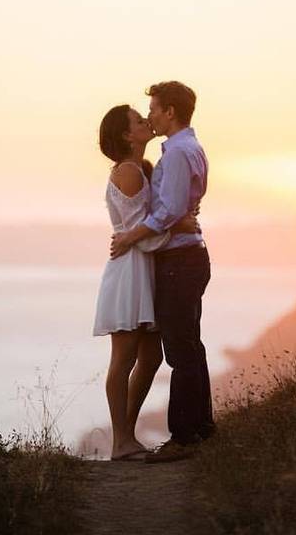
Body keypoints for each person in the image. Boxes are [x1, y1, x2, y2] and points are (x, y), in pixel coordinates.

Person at [110, 81, 214, 464]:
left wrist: (130, 236)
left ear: (170, 111)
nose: (150, 115)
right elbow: (175, 210)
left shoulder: (178, 153)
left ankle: (185, 436)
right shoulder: (184, 149)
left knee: (180, 350)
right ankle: (201, 429)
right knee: (189, 346)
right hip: (184, 257)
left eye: (153, 108)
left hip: (180, 262)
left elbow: (169, 210)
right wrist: (176, 222)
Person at [93, 104, 199, 461]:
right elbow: (142, 235)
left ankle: (126, 434)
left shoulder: (145, 169)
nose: (146, 122)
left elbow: (150, 225)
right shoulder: (128, 172)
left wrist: (173, 220)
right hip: (130, 271)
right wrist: (177, 225)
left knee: (151, 356)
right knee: (123, 357)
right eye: (139, 121)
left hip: (147, 268)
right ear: (126, 135)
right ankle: (120, 440)